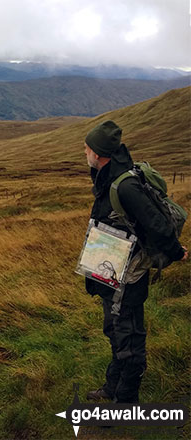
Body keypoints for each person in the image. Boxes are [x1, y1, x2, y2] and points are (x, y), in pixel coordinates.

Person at [81, 120, 187, 404]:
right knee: (115, 331)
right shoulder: (106, 175)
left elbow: (156, 224)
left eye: (87, 148)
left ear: (99, 153)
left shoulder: (124, 185)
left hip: (127, 274)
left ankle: (125, 403)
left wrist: (176, 252)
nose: (85, 153)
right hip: (111, 270)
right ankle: (111, 388)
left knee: (128, 337)